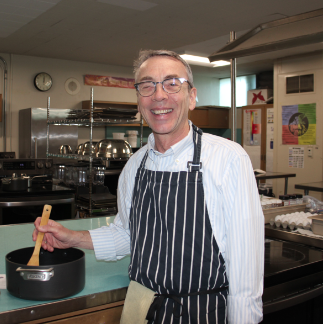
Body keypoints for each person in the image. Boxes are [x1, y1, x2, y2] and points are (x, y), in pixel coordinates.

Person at [33, 49, 264, 324]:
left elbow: (245, 269)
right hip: (139, 307)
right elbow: (129, 235)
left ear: (191, 97)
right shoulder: (134, 166)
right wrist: (73, 238)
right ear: (139, 100)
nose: (159, 95)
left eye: (171, 83)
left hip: (201, 311)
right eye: (147, 85)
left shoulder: (228, 159)